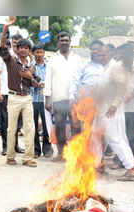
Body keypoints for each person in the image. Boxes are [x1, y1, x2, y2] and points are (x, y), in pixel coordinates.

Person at [0, 18, 41, 167]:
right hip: (14, 97)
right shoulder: (10, 60)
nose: (23, 49)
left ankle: (28, 158)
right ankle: (10, 156)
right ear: (17, 48)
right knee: (12, 129)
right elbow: (3, 46)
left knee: (30, 128)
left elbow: (34, 82)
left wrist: (35, 80)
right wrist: (5, 29)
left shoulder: (31, 65)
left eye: (26, 48)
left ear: (29, 51)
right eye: (20, 47)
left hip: (27, 97)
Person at [97, 43, 134, 181]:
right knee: (118, 137)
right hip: (108, 106)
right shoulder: (112, 67)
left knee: (114, 138)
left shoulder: (116, 67)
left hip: (111, 108)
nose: (101, 56)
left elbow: (121, 88)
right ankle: (99, 163)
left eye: (104, 53)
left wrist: (114, 105)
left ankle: (130, 167)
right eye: (99, 54)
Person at [44, 31, 83, 162]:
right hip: (58, 99)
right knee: (60, 127)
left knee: (76, 127)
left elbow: (81, 79)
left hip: (75, 99)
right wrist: (47, 99)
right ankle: (61, 153)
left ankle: (75, 153)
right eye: (62, 40)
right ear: (58, 42)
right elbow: (48, 79)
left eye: (66, 40)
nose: (64, 42)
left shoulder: (77, 59)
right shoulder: (52, 60)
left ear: (70, 42)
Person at [31, 43, 52, 158]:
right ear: (33, 53)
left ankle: (47, 148)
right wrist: (34, 84)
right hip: (33, 99)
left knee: (46, 124)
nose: (39, 54)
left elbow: (52, 80)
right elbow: (26, 82)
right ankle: (36, 150)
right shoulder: (30, 66)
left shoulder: (49, 66)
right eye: (37, 52)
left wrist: (45, 84)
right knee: (33, 125)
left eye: (41, 52)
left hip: (46, 100)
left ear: (44, 53)